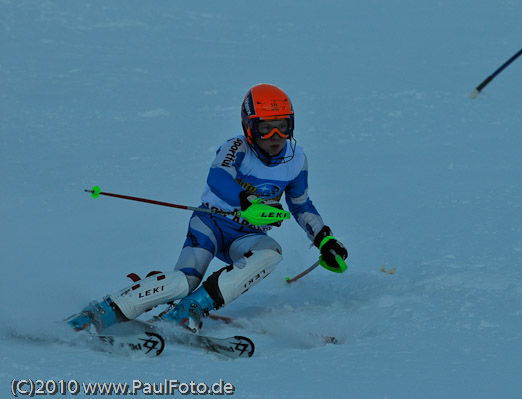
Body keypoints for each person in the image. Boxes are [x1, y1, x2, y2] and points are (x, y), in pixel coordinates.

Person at [66, 83, 348, 333]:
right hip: (211, 224)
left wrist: (324, 239)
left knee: (271, 253)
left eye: (283, 126)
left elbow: (300, 204)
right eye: (265, 127)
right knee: (184, 281)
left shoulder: (296, 159)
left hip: (246, 236)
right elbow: (218, 177)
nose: (275, 136)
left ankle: (189, 311)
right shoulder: (236, 147)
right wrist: (245, 201)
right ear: (249, 126)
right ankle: (101, 312)